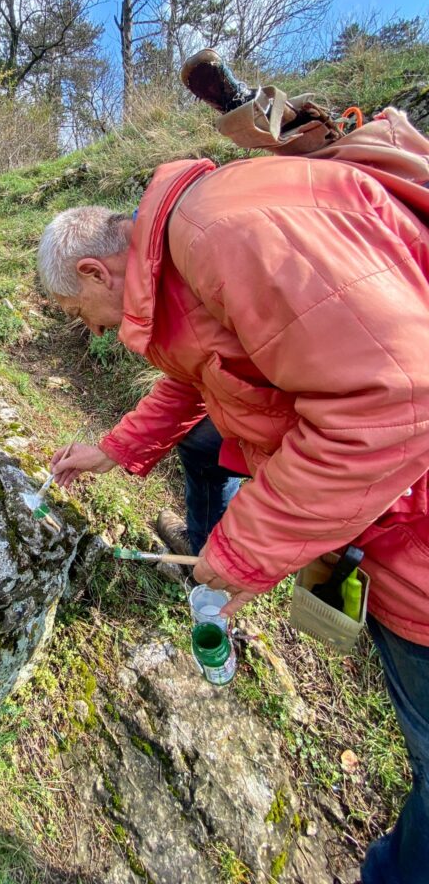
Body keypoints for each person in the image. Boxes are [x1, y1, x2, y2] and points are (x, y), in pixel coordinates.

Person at [38, 61, 429, 884]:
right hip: (389, 527)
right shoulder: (186, 254)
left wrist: (243, 551)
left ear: (94, 272)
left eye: (83, 317)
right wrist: (115, 449)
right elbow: (203, 373)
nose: (98, 334)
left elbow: (393, 398)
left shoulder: (225, 235)